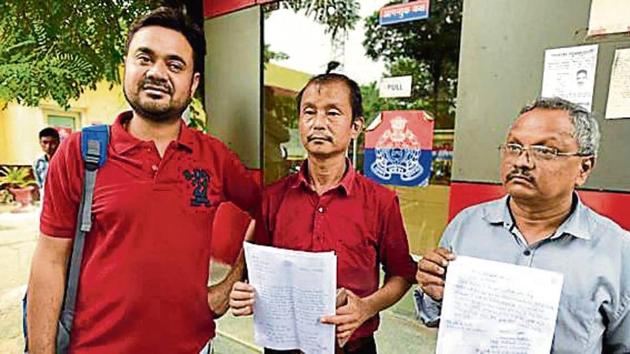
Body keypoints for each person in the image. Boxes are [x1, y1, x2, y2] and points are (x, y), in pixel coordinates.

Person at [26, 7, 260, 354]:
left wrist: (233, 279)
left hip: (193, 347)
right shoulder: (80, 152)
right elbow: (49, 262)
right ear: (127, 67)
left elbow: (271, 212)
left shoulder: (214, 157)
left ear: (193, 83)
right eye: (144, 58)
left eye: (174, 64)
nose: (156, 72)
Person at [416, 97, 630, 353]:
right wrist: (433, 291)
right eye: (514, 147)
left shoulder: (618, 251)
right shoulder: (466, 226)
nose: (521, 161)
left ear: (584, 167)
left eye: (545, 151)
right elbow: (436, 317)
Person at [229, 73, 417, 353]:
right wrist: (243, 293)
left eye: (332, 112)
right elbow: (255, 271)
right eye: (309, 112)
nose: (318, 123)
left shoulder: (381, 201)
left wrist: (367, 307)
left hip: (353, 347)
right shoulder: (271, 199)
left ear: (355, 127)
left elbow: (401, 274)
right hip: (282, 346)